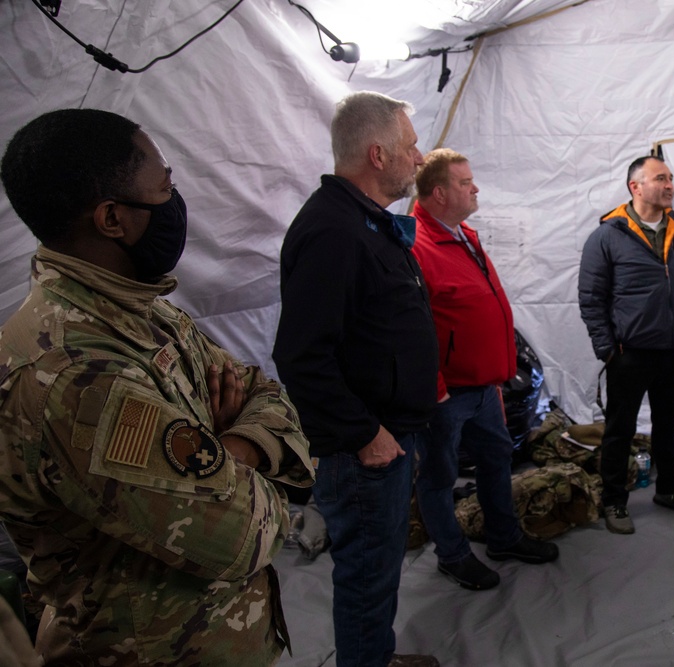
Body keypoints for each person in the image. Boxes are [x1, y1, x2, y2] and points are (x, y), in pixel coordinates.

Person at [0, 108, 314, 665]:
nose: (175, 202)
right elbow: (249, 534)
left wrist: (228, 451)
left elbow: (267, 392)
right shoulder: (76, 376)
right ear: (113, 219)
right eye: (165, 187)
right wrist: (241, 450)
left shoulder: (147, 313)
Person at [272, 92, 440, 667]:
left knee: (381, 567)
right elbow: (300, 356)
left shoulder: (363, 221)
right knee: (367, 576)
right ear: (377, 153)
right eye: (411, 146)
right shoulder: (334, 231)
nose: (419, 159)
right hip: (362, 452)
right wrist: (367, 433)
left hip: (389, 435)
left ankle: (376, 656)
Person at [410, 148, 559, 591]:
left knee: (498, 458)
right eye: (464, 182)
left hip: (482, 387)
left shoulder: (463, 235)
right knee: (437, 476)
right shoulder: (416, 246)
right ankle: (452, 555)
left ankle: (503, 537)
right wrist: (435, 389)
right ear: (438, 193)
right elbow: (413, 331)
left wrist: (496, 374)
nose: (475, 188)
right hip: (446, 394)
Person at [578, 155, 674, 535]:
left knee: (669, 423)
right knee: (620, 427)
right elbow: (591, 298)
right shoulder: (606, 236)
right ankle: (614, 501)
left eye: (670, 178)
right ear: (636, 187)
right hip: (630, 353)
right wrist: (608, 349)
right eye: (660, 179)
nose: (669, 185)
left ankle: (669, 489)